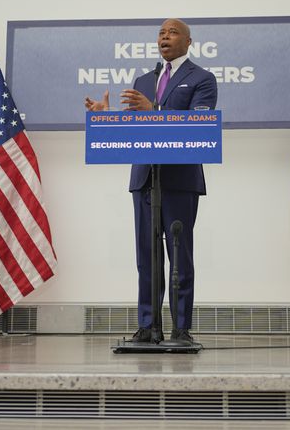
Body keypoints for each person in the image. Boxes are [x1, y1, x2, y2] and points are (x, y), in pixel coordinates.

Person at [85, 18, 218, 343]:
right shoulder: (143, 80)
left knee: (179, 255)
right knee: (146, 256)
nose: (165, 37)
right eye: (161, 33)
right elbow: (135, 129)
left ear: (189, 41)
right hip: (145, 179)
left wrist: (155, 108)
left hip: (180, 179)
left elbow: (198, 125)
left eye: (172, 32)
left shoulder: (202, 79)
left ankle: (181, 329)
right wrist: (107, 118)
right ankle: (148, 326)